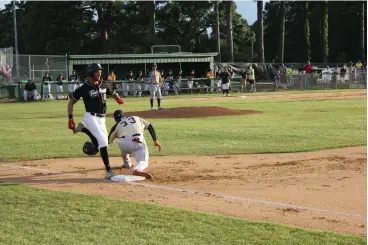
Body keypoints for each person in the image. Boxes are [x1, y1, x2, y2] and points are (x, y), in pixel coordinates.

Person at [67, 63, 125, 179]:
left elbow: (112, 93)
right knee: (103, 142)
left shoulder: (104, 84)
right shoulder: (84, 88)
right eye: (97, 71)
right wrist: (70, 118)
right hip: (91, 117)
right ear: (90, 73)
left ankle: (82, 128)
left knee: (103, 144)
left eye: (100, 71)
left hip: (102, 118)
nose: (100, 73)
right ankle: (109, 171)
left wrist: (118, 98)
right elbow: (71, 102)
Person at [108, 109, 162, 179]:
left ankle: (127, 164)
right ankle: (138, 169)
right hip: (137, 142)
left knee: (122, 140)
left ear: (115, 119)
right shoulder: (136, 118)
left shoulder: (116, 126)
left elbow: (108, 141)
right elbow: (149, 126)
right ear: (125, 116)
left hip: (123, 145)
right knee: (143, 161)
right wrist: (155, 140)